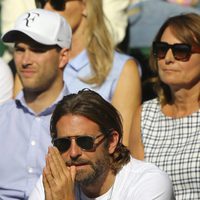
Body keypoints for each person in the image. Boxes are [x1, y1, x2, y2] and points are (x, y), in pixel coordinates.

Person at [29, 89, 174, 200]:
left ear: (111, 141)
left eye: (85, 142)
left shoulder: (149, 183)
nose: (73, 153)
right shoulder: (54, 183)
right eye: (63, 143)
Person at [42, 0, 141, 147]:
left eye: (57, 2)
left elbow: (122, 148)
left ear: (85, 6)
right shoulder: (32, 64)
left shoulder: (122, 69)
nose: (46, 9)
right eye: (41, 2)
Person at [0, 8, 72, 199]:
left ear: (63, 57)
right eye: (20, 49)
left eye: (37, 50)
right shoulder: (2, 118)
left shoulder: (84, 122)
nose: (25, 60)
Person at [129, 13, 200, 199]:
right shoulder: (145, 115)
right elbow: (135, 188)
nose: (168, 58)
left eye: (181, 50)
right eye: (161, 49)